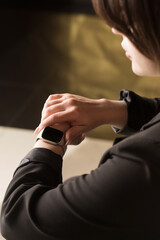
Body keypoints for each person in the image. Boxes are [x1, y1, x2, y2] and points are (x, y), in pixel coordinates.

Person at [1, 0, 160, 239]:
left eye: (129, 20)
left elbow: (19, 217)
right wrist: (115, 109)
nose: (115, 29)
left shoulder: (144, 166)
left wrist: (49, 141)